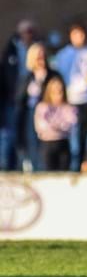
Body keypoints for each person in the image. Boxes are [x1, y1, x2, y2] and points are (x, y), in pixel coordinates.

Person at [53, 22, 87, 169]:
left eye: (82, 34)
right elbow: (58, 77)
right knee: (67, 133)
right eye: (76, 34)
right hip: (68, 100)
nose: (79, 37)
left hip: (86, 100)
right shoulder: (63, 54)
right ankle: (65, 164)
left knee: (83, 134)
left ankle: (80, 163)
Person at [14, 43, 59, 171]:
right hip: (30, 113)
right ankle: (34, 167)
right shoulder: (27, 77)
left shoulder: (52, 75)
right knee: (31, 142)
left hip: (48, 114)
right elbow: (20, 98)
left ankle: (45, 168)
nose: (41, 60)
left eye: (42, 56)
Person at [1, 20, 37, 170]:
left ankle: (31, 165)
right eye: (24, 31)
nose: (27, 35)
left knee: (30, 134)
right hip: (14, 99)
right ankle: (10, 165)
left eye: (29, 31)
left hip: (32, 99)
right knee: (12, 134)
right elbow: (6, 74)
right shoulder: (11, 50)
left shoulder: (36, 48)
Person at [33, 76, 77, 172]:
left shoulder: (69, 108)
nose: (58, 94)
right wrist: (59, 125)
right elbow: (41, 126)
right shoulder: (42, 107)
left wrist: (54, 124)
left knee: (64, 174)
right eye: (54, 91)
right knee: (49, 174)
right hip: (47, 144)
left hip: (63, 144)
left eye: (60, 91)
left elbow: (71, 125)